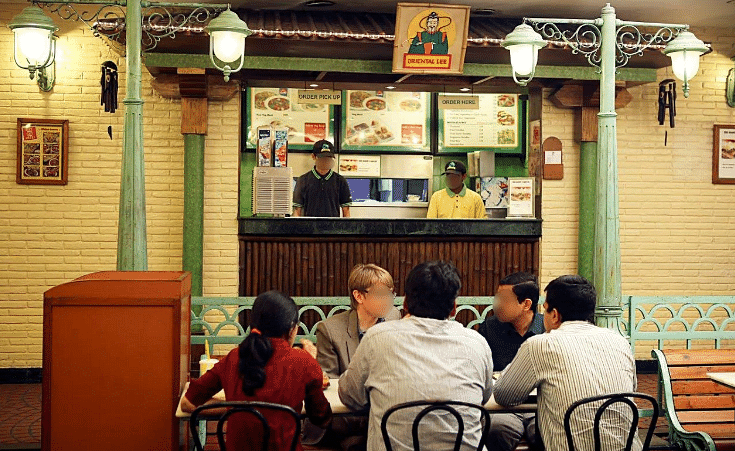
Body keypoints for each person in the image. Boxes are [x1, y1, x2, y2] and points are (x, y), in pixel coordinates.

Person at [338, 261, 494, 451]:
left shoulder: (377, 338)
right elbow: (484, 397)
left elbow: (350, 396)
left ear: (405, 303)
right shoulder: (477, 343)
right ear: (454, 308)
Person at [493, 275, 641, 451]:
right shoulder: (620, 342)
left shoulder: (541, 344)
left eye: (545, 309)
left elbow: (504, 395)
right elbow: (631, 390)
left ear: (554, 315)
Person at [181, 291, 332, 451]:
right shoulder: (303, 361)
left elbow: (187, 403)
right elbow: (321, 418)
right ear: (291, 329)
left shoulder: (234, 357)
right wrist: (313, 365)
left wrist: (235, 407)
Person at [303, 264, 402, 451]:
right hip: (346, 415)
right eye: (381, 294)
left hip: (381, 412)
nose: (389, 301)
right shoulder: (331, 330)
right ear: (358, 296)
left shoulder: (393, 318)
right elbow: (329, 382)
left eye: (391, 294)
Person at [478, 272, 544, 451]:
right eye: (497, 298)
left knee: (544, 431)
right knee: (495, 429)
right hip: (501, 406)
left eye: (505, 299)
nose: (498, 305)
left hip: (539, 405)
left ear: (526, 304)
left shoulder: (546, 330)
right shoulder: (489, 327)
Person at [293, 140, 352, 217]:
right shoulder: (303, 180)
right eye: (322, 157)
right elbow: (297, 210)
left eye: (329, 158)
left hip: (333, 227)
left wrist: (346, 228)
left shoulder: (340, 181)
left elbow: (346, 210)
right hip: (310, 227)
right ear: (313, 156)